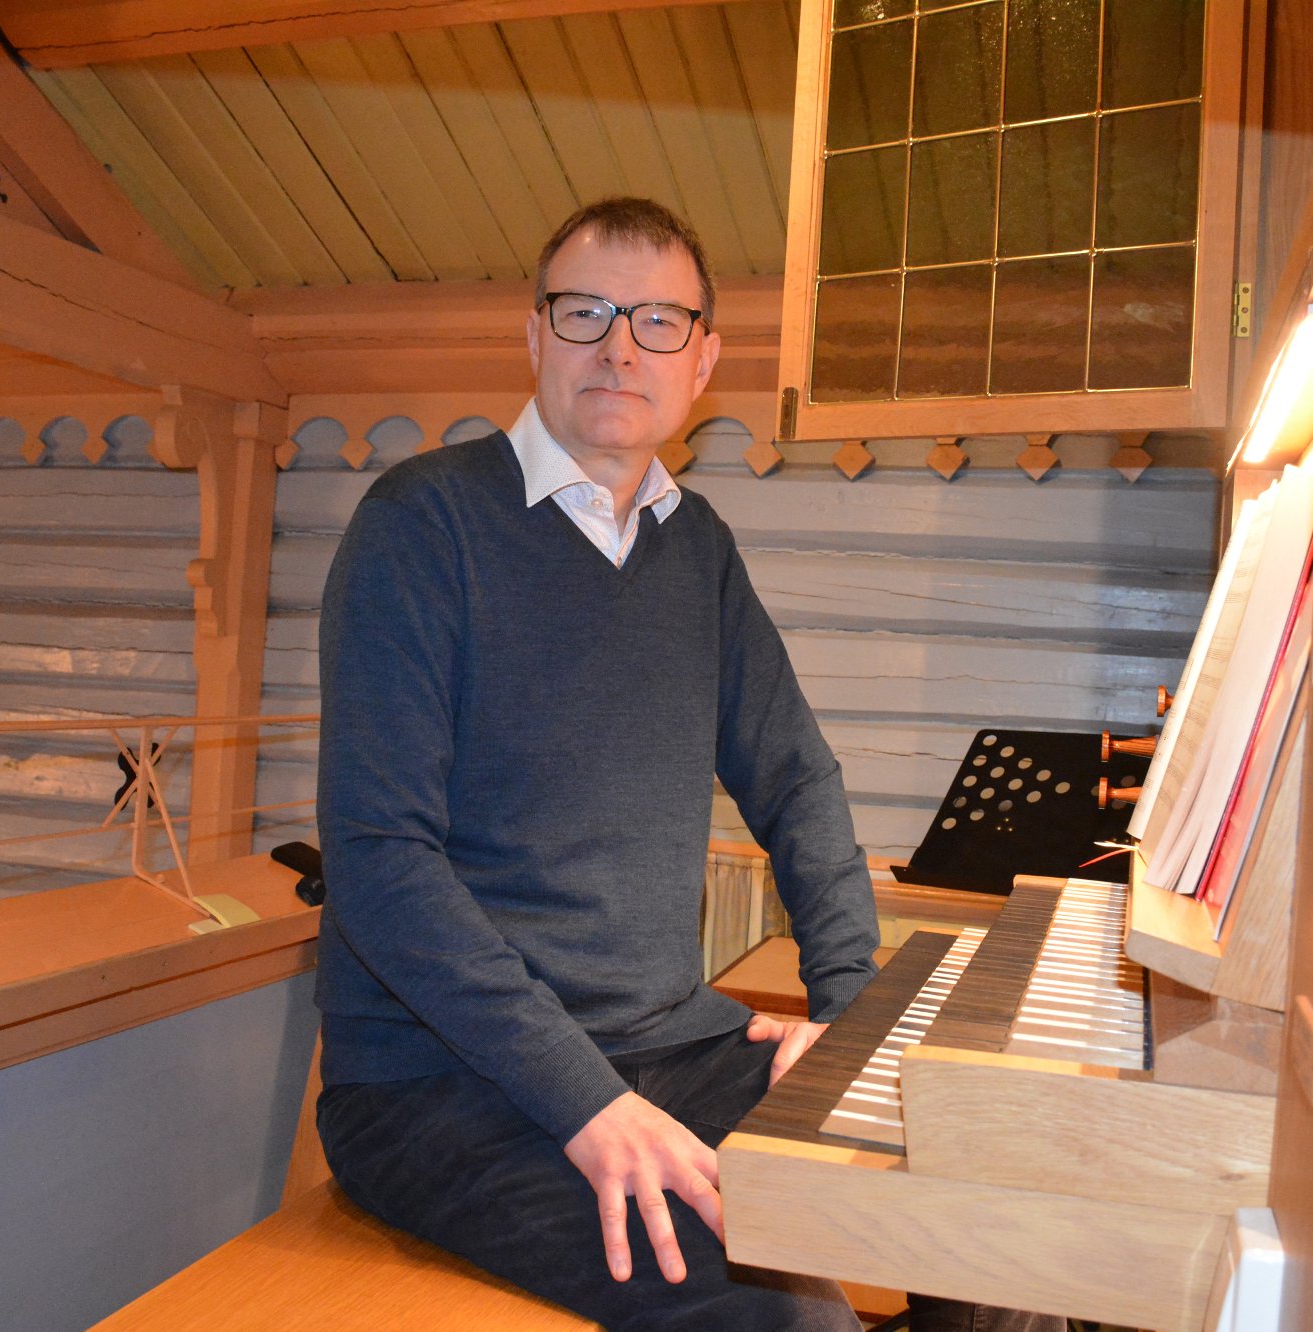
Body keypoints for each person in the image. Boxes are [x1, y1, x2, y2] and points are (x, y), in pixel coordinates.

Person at [313, 197, 1060, 1332]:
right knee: (789, 1314)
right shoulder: (421, 524)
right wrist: (586, 1102)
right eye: (586, 312)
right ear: (533, 334)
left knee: (993, 1215)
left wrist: (846, 1019)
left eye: (658, 320)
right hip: (441, 1084)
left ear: (702, 361)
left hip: (670, 1043)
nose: (620, 348)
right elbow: (378, 861)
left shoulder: (694, 545)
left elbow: (796, 782)